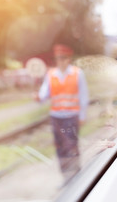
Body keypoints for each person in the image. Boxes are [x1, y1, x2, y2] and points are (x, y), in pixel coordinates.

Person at [35, 43, 89, 180]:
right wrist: (38, 97)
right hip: (56, 117)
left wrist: (82, 116)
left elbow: (83, 96)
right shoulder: (51, 74)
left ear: (68, 59)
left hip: (72, 116)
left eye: (63, 58)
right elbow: (44, 93)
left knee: (71, 145)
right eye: (58, 58)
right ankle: (65, 175)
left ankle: (76, 173)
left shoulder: (77, 73)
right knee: (60, 147)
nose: (60, 61)